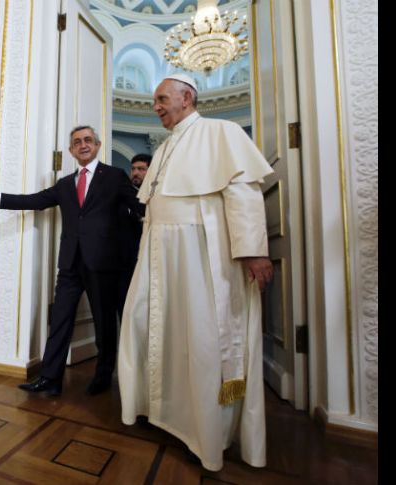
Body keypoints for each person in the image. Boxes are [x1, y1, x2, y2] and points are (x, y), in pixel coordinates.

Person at [117, 73, 274, 472]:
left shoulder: (220, 132)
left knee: (201, 339)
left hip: (200, 254)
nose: (155, 107)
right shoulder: (164, 148)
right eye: (155, 101)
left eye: (161, 99)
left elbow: (243, 193)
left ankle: (207, 434)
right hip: (157, 255)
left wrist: (254, 251)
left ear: (186, 97)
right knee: (155, 329)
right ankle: (164, 412)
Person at [0, 125, 141, 397]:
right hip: (70, 263)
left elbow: (137, 205)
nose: (83, 145)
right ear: (72, 150)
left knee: (104, 323)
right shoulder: (65, 184)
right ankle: (50, 378)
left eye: (88, 140)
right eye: (77, 142)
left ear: (97, 145)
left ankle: (103, 375)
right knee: (60, 320)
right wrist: (0, 197)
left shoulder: (114, 176)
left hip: (103, 263)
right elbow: (38, 200)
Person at [116, 154, 151, 321]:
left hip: (148, 263)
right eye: (133, 169)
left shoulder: (157, 198)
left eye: (141, 169)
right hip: (123, 265)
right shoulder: (121, 197)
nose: (135, 173)